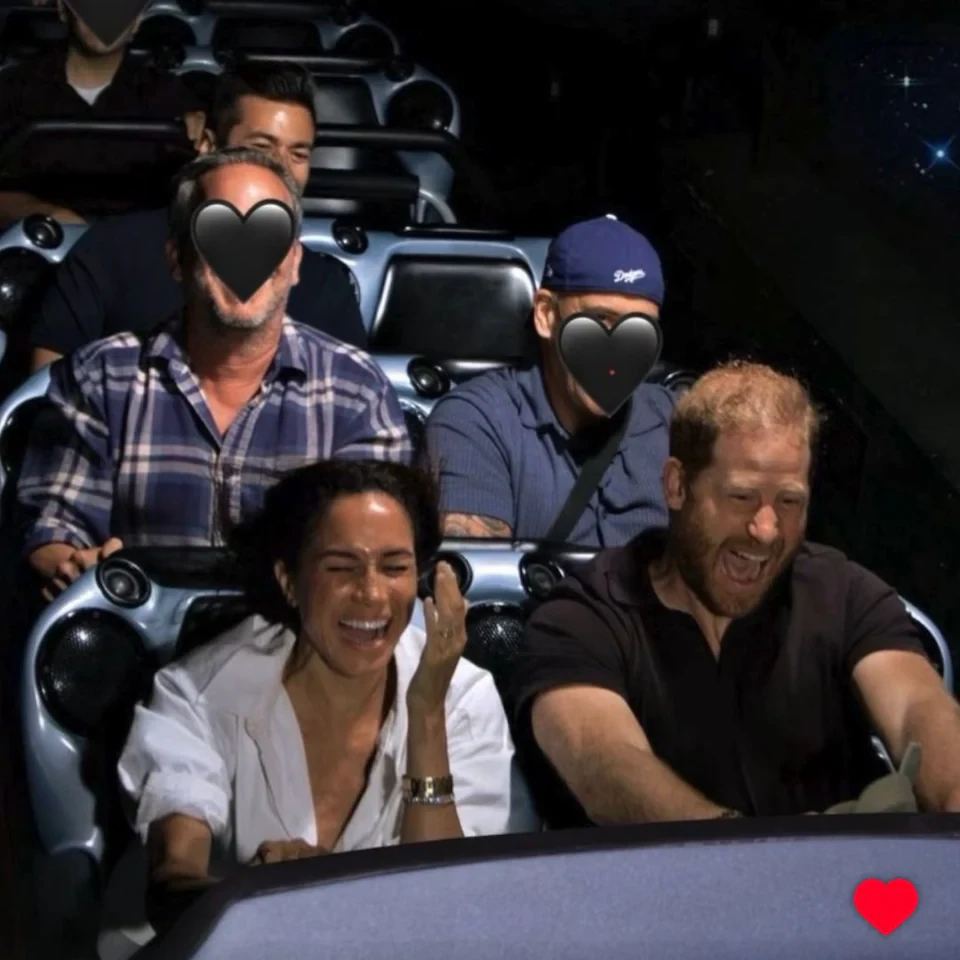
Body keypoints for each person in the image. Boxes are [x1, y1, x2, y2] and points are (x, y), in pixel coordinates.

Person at [509, 361, 960, 825]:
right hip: (669, 872)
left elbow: (917, 707)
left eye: (789, 501)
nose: (766, 530)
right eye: (741, 497)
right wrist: (744, 854)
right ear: (676, 485)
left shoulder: (844, 593)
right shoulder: (579, 619)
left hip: (845, 869)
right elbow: (605, 765)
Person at [109, 459, 538, 946]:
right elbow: (172, 884)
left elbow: (450, 910)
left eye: (394, 567)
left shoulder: (461, 695)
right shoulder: (199, 694)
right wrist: (264, 897)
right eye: (341, 567)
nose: (372, 594)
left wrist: (425, 716)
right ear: (289, 581)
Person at [16, 147, 411, 598]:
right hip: (142, 631)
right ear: (176, 260)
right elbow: (54, 524)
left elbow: (377, 559)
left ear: (294, 262)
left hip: (298, 633)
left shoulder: (357, 391)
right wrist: (73, 564)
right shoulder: (101, 377)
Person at [27, 61, 366, 371]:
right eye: (261, 147)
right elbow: (46, 391)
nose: (281, 167)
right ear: (208, 144)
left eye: (298, 153)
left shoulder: (327, 286)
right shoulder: (111, 251)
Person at [425, 215, 674, 546]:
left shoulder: (675, 422)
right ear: (546, 314)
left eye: (639, 327)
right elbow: (472, 568)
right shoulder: (478, 421)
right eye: (600, 319)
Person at [0, 0, 204, 225]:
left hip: (139, 240)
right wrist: (46, 214)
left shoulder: (169, 95)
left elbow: (194, 189)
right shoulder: (12, 90)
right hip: (38, 238)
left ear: (136, 22)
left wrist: (202, 140)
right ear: (63, 11)